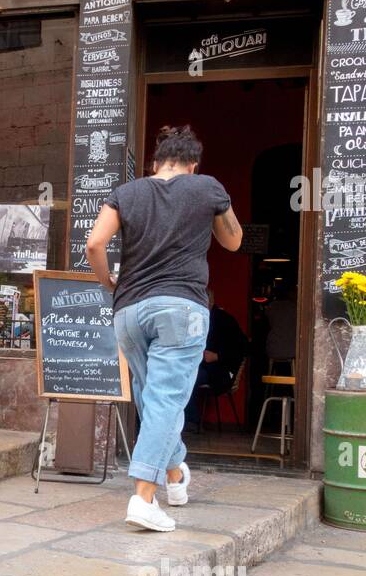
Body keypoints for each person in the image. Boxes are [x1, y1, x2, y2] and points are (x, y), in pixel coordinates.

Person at [87, 125, 243, 532]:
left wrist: (108, 283)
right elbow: (234, 243)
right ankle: (143, 497)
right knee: (165, 399)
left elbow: (94, 245)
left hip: (129, 310)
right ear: (193, 164)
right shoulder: (206, 187)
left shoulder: (127, 192)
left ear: (155, 162)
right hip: (180, 307)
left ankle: (175, 476)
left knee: (150, 396)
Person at [185, 288, 248, 428]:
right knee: (177, 373)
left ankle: (190, 420)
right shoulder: (195, 319)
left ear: (210, 301)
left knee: (189, 376)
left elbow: (244, 348)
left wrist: (217, 356)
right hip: (199, 367)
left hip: (220, 372)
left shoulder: (224, 319)